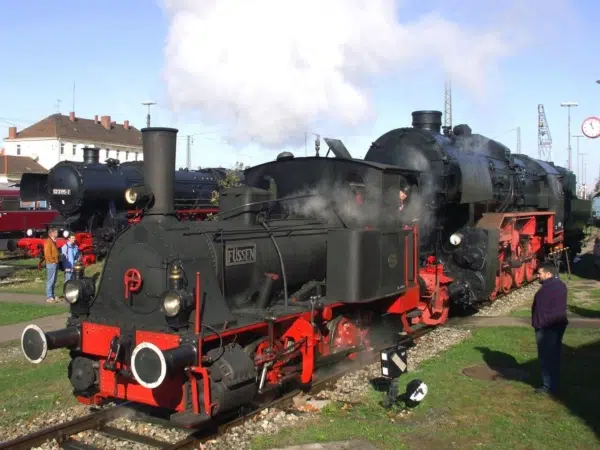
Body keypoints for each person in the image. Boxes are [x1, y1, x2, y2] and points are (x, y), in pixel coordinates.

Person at [531, 263, 568, 395]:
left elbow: (543, 309)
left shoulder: (550, 288)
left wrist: (539, 324)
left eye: (539, 273)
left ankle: (548, 386)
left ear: (548, 274)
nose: (537, 276)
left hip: (547, 327)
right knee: (553, 355)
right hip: (553, 325)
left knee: (546, 356)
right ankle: (553, 383)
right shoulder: (557, 285)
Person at [43, 228, 60, 303]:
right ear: (52, 233)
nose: (57, 233)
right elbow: (47, 253)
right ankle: (49, 297)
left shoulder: (53, 241)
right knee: (50, 280)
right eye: (56, 232)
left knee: (54, 280)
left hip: (55, 263)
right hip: (51, 264)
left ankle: (52, 295)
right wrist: (53, 261)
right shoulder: (48, 242)